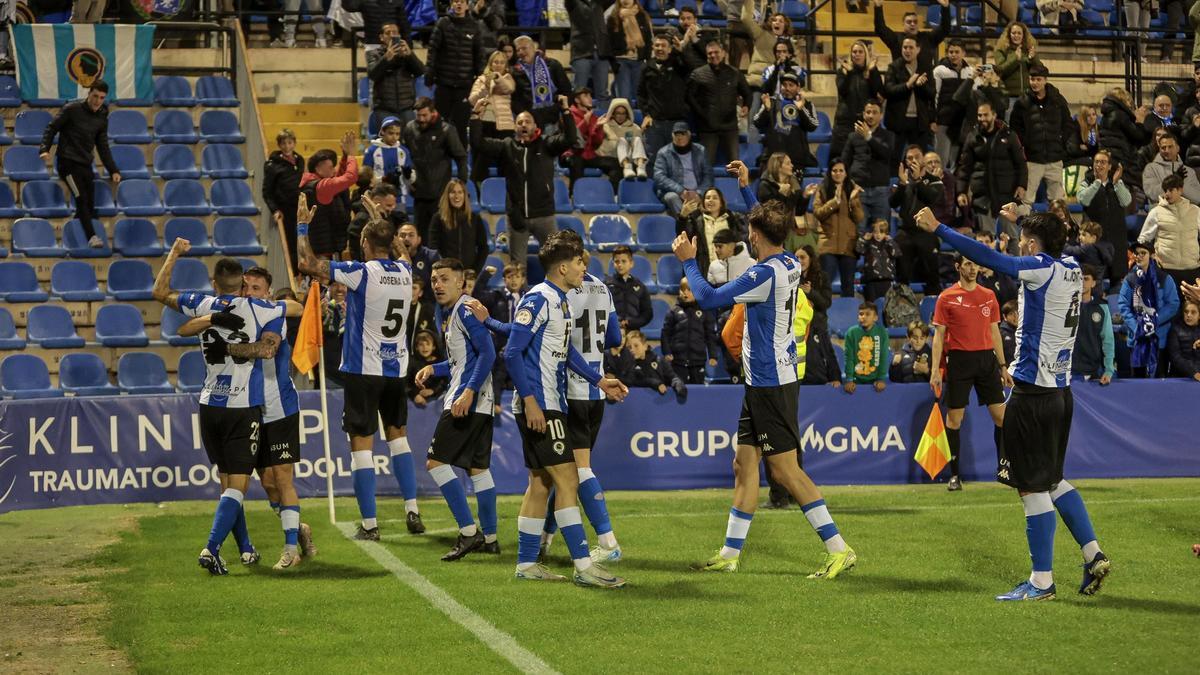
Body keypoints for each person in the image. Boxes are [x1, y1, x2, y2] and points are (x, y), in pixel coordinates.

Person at [914, 203, 1111, 601]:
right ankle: (1093, 555)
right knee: (1053, 479)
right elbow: (1053, 235)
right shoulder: (1072, 267)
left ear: (1035, 244)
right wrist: (1025, 215)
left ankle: (1041, 582)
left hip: (1033, 394)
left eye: (1024, 240)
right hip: (1061, 393)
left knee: (1030, 486)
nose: (1019, 245)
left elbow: (990, 257)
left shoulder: (1038, 269)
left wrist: (939, 228)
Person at [673, 173, 857, 578]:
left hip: (771, 380)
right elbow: (768, 222)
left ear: (755, 234)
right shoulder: (789, 260)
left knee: (786, 471)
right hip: (765, 378)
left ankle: (839, 548)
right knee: (743, 464)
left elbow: (706, 297)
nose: (749, 234)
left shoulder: (762, 275)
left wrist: (689, 258)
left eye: (751, 228)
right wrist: (743, 187)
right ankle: (730, 552)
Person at [477, 232, 630, 586]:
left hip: (550, 401)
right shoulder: (540, 298)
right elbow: (512, 352)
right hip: (542, 403)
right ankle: (583, 565)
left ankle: (527, 563)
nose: (583, 267)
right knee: (568, 478)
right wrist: (531, 401)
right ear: (563, 267)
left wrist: (598, 380)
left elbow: (566, 351)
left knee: (541, 482)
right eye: (579, 262)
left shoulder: (559, 300)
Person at [152, 240, 286, 575]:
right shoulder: (259, 308)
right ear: (243, 284)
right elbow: (290, 308)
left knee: (227, 483)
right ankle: (210, 549)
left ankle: (246, 549)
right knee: (238, 485)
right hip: (243, 406)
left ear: (214, 283)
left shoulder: (201, 303)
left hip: (210, 402)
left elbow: (159, 292)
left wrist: (175, 254)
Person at [296, 194, 426, 540]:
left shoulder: (359, 272)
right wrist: (377, 218)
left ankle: (370, 525)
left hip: (363, 369)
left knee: (362, 446)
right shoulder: (404, 270)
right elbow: (401, 249)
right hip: (395, 370)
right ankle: (412, 509)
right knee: (399, 439)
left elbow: (307, 263)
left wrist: (302, 225)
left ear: (365, 243)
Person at [177, 267, 314, 569]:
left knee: (281, 477)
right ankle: (289, 531)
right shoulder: (240, 313)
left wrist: (224, 346)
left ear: (267, 293)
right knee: (262, 483)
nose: (250, 292)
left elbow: (267, 349)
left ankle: (290, 548)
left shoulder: (272, 317)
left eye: (256, 288)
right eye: (246, 287)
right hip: (245, 407)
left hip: (277, 406)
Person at [413, 258, 499, 561]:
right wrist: (433, 369)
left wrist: (468, 392)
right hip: (482, 400)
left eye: (445, 278)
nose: (438, 284)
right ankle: (490, 537)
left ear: (461, 283)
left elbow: (488, 353)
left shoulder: (465, 309)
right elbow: (461, 361)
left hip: (467, 399)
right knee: (479, 469)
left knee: (436, 463)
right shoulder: (454, 312)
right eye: (435, 279)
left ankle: (468, 532)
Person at [929, 254, 1010, 491]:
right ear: (958, 267)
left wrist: (1003, 366)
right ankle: (955, 475)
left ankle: (1004, 468)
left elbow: (994, 331)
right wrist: (935, 369)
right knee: (954, 419)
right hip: (959, 361)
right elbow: (939, 336)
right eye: (967, 264)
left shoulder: (989, 296)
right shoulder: (946, 297)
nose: (972, 268)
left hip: (986, 360)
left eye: (975, 264)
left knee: (1001, 417)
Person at [470, 98, 577, 267]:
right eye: (519, 122)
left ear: (535, 126)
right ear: (515, 127)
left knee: (556, 263)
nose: (523, 124)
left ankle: (556, 294)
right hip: (517, 217)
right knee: (516, 267)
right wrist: (476, 115)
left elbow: (571, 138)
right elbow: (478, 143)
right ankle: (518, 294)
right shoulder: (508, 146)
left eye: (527, 121)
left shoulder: (546, 144)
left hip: (544, 215)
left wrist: (566, 111)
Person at [38, 81, 120, 248]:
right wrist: (44, 148)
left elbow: (102, 145)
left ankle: (74, 236)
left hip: (84, 163)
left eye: (102, 98)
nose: (98, 101)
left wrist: (113, 169)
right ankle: (92, 237)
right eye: (95, 96)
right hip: (66, 163)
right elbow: (52, 128)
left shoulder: (102, 116)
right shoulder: (71, 110)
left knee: (89, 204)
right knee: (80, 197)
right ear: (89, 93)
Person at [956, 101, 1027, 240]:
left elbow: (1020, 163)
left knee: (1012, 237)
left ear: (994, 115)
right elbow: (965, 167)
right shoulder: (973, 137)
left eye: (985, 115)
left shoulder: (1009, 135)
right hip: (983, 197)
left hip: (1006, 195)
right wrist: (961, 191)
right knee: (986, 238)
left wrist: (1021, 185)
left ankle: (1013, 261)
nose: (982, 118)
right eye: (979, 115)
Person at [1008, 64, 1072, 216]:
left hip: (1054, 159)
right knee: (1025, 201)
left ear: (1045, 80)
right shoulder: (1022, 103)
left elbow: (1068, 124)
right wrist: (1026, 145)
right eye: (1032, 79)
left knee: (1058, 203)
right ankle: (1023, 234)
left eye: (1038, 79)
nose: (1034, 82)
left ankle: (1058, 235)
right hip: (1032, 160)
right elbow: (1015, 128)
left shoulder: (1058, 100)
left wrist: (1061, 143)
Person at [403, 97, 469, 241]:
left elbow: (461, 157)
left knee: (440, 236)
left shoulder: (446, 130)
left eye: (424, 115)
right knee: (419, 236)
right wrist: (408, 180)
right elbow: (404, 155)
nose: (421, 119)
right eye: (418, 115)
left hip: (440, 194)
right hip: (418, 193)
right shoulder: (410, 129)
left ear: (433, 113)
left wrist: (462, 182)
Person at [426, 0, 484, 149]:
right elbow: (433, 49)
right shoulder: (442, 23)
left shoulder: (474, 26)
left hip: (464, 86)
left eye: (462, 1)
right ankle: (436, 161)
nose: (459, 4)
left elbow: (479, 54)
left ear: (466, 5)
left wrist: (480, 76)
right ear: (451, 4)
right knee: (438, 125)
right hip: (444, 84)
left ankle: (462, 165)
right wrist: (430, 73)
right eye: (456, 1)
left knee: (461, 128)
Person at [1119, 241, 1181, 378]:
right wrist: (1137, 327)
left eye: (1143, 253)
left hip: (1159, 338)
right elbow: (1123, 306)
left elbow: (1173, 305)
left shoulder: (1164, 278)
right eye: (1137, 253)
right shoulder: (1130, 279)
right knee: (1137, 383)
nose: (1139, 256)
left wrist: (1154, 321)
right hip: (1137, 339)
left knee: (1159, 383)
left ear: (1152, 255)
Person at [686, 40, 751, 167]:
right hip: (707, 128)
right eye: (710, 53)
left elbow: (747, 93)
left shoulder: (735, 73)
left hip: (730, 127)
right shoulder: (698, 74)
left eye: (716, 52)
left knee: (736, 167)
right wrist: (702, 114)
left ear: (723, 53)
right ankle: (708, 188)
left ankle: (737, 187)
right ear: (706, 55)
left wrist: (746, 106)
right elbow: (689, 97)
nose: (713, 55)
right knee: (705, 166)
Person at [299, 132, 359, 259]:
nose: (334, 170)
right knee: (319, 279)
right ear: (318, 168)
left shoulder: (313, 183)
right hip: (323, 253)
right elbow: (349, 177)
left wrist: (345, 156)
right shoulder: (321, 186)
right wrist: (351, 156)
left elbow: (339, 176)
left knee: (320, 279)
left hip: (323, 247)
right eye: (331, 167)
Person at [1077, 150, 1133, 284]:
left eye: (1103, 162)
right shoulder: (1087, 182)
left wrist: (1116, 183)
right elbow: (1083, 200)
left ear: (1109, 166)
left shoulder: (1117, 183)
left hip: (1116, 238)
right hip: (1096, 240)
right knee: (1096, 279)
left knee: (1117, 279)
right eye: (1096, 162)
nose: (1099, 165)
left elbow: (1126, 201)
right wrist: (1097, 183)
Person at [892, 145, 943, 291]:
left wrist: (918, 180)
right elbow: (892, 202)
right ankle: (902, 302)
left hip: (926, 231)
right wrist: (902, 184)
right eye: (909, 158)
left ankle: (933, 304)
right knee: (901, 270)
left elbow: (931, 198)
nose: (913, 160)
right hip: (906, 231)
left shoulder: (935, 180)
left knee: (932, 273)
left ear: (923, 159)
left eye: (917, 157)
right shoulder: (902, 180)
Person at [882, 37, 936, 170]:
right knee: (895, 158)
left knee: (920, 159)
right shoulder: (894, 67)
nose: (907, 50)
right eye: (905, 48)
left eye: (911, 47)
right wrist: (908, 85)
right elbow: (888, 90)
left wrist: (919, 86)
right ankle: (895, 185)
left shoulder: (925, 68)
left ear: (918, 49)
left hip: (919, 122)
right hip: (898, 121)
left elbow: (932, 93)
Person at [1139, 173, 1200, 291]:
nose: (1167, 194)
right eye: (1165, 190)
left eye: (1171, 190)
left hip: (1193, 270)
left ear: (1180, 190)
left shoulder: (1195, 211)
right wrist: (1152, 255)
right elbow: (1143, 239)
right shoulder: (1156, 212)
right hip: (1166, 270)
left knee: (1192, 309)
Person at [813, 160, 863, 297]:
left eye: (841, 170)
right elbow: (818, 213)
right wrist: (835, 201)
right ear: (830, 172)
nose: (838, 173)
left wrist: (853, 200)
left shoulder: (852, 189)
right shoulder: (822, 188)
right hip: (828, 244)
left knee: (848, 286)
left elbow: (859, 218)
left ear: (846, 173)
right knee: (825, 286)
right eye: (835, 170)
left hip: (848, 246)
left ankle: (848, 317)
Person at [638, 34, 692, 161]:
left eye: (663, 45)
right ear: (653, 47)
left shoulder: (678, 64)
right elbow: (641, 94)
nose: (660, 48)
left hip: (677, 122)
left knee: (678, 159)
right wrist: (646, 114)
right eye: (657, 45)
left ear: (669, 49)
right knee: (655, 160)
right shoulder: (646, 67)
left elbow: (690, 68)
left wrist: (680, 52)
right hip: (655, 123)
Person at [754, 72, 819, 175]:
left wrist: (801, 109)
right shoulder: (771, 101)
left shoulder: (807, 104)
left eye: (791, 85)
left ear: (798, 88)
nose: (787, 88)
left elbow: (813, 125)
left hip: (796, 161)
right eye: (784, 85)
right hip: (772, 159)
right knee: (768, 189)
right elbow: (757, 122)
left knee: (793, 190)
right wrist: (766, 110)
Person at [841, 100, 894, 227]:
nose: (871, 116)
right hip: (859, 189)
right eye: (868, 112)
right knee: (859, 231)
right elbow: (844, 162)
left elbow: (886, 154)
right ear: (864, 114)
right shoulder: (853, 136)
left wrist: (869, 137)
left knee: (882, 232)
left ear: (881, 115)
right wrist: (850, 184)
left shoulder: (888, 136)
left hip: (880, 190)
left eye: (874, 112)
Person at [831, 40, 884, 161]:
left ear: (865, 54)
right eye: (854, 52)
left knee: (860, 158)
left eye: (860, 52)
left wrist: (873, 71)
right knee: (840, 159)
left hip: (863, 122)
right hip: (844, 123)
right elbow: (842, 90)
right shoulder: (843, 71)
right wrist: (849, 73)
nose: (857, 54)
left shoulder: (870, 72)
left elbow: (877, 92)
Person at [468, 50, 516, 182]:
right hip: (484, 124)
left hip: (505, 127)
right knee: (481, 162)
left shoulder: (508, 78)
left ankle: (505, 193)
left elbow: (508, 89)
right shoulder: (481, 80)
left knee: (507, 162)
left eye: (502, 62)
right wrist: (485, 87)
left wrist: (496, 78)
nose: (499, 65)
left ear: (505, 65)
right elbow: (472, 100)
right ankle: (478, 190)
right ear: (490, 64)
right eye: (496, 62)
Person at [676, 186, 746, 276]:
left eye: (715, 198)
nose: (710, 200)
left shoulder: (733, 219)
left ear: (721, 202)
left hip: (730, 271)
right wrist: (682, 217)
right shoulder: (696, 220)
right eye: (707, 198)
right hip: (704, 271)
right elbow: (683, 237)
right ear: (703, 202)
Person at [662, 277, 720, 384]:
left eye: (689, 290)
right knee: (679, 389)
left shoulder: (705, 311)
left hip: (698, 360)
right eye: (682, 290)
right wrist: (667, 351)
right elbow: (665, 333)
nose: (685, 293)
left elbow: (710, 335)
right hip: (678, 361)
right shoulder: (673, 311)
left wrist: (713, 355)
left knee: (698, 392)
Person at [1098, 88, 1151, 204]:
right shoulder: (1120, 115)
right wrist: (1140, 121)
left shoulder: (1105, 116)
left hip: (1111, 161)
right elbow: (1139, 137)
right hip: (1123, 163)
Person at [367, 25, 425, 130]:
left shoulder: (406, 53)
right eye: (388, 33)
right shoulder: (374, 54)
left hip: (406, 107)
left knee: (411, 141)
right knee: (388, 141)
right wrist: (386, 58)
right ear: (381, 37)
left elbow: (420, 71)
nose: (391, 35)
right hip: (384, 108)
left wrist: (410, 55)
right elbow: (372, 75)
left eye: (395, 32)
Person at [263, 129, 305, 273]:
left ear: (294, 143)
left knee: (302, 241)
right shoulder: (272, 165)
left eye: (289, 143)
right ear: (279, 145)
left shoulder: (300, 160)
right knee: (289, 244)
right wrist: (275, 209)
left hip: (299, 209)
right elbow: (267, 192)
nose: (287, 146)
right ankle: (293, 273)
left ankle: (302, 274)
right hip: (284, 211)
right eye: (283, 143)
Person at [510, 36, 573, 130]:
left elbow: (567, 92)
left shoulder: (553, 65)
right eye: (518, 50)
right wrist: (526, 114)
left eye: (524, 48)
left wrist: (556, 110)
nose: (521, 52)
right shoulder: (515, 72)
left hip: (553, 118)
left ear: (533, 47)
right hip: (529, 121)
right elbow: (514, 100)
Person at [566, 87, 623, 191]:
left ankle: (610, 194)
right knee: (577, 161)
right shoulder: (568, 115)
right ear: (577, 100)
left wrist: (598, 126)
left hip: (589, 155)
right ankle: (574, 195)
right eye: (586, 96)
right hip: (572, 154)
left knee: (616, 164)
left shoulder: (594, 117)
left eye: (590, 96)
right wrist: (585, 122)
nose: (590, 98)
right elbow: (573, 138)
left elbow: (596, 144)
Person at [428, 179, 489, 274]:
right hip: (446, 273)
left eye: (460, 192)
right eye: (453, 192)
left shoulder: (474, 218)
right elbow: (433, 248)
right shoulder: (438, 218)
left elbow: (483, 248)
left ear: (465, 195)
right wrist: (443, 268)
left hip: (468, 274)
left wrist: (474, 271)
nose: (457, 196)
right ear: (447, 195)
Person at [872, 0, 950, 73]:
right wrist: (878, 7)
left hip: (925, 81)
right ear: (903, 24)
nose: (912, 24)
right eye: (909, 22)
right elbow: (880, 28)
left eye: (915, 22)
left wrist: (945, 8)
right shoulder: (896, 39)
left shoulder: (927, 38)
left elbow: (945, 29)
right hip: (902, 80)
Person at [931, 39, 974, 171]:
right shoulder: (939, 70)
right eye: (951, 52)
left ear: (963, 53)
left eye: (957, 52)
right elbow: (935, 95)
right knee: (941, 160)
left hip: (962, 123)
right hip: (944, 121)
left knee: (958, 162)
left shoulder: (971, 71)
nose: (953, 55)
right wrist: (933, 119)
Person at [606, 329, 687, 398]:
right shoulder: (627, 365)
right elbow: (636, 380)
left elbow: (672, 376)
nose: (632, 350)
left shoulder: (659, 360)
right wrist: (657, 384)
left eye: (636, 346)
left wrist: (678, 384)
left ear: (645, 345)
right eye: (629, 347)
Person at [654, 124, 714, 215]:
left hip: (697, 191)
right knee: (672, 197)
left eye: (682, 134)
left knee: (713, 196)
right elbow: (659, 176)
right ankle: (686, 221)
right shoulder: (663, 153)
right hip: (675, 192)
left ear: (689, 135)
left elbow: (708, 175)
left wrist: (699, 193)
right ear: (672, 136)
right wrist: (680, 190)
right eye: (676, 134)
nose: (679, 137)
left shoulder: (700, 150)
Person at [1072, 265, 1115, 384]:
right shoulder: (1065, 307)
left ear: (1093, 283)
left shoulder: (1102, 308)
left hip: (1092, 372)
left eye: (1086, 279)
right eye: (1078, 278)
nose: (1082, 282)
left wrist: (1109, 370)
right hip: (1067, 372)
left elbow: (1108, 340)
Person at [565, 0, 613, 103]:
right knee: (579, 92)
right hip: (581, 52)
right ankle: (576, 118)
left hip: (601, 53)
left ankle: (602, 118)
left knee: (603, 94)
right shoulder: (573, 3)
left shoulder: (598, 3)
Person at [347, 183, 406, 262]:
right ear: (376, 201)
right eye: (389, 205)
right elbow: (356, 251)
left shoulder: (392, 218)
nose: (392, 209)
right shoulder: (360, 220)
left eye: (394, 205)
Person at [607, 0, 652, 103]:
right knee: (624, 97)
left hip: (639, 61)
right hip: (621, 61)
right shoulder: (613, 18)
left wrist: (648, 61)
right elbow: (609, 43)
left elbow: (648, 41)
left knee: (639, 96)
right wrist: (613, 63)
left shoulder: (643, 16)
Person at [741, 3, 794, 88]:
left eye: (781, 21)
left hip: (780, 83)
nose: (777, 22)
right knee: (755, 101)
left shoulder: (790, 43)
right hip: (758, 80)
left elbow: (794, 68)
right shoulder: (760, 34)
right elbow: (746, 18)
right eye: (774, 20)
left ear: (785, 26)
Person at [842, 302, 890, 393]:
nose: (863, 317)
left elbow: (883, 357)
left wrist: (881, 378)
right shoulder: (851, 332)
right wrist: (849, 379)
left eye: (868, 314)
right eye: (861, 314)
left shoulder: (882, 332)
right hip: (856, 381)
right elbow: (849, 358)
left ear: (875, 317)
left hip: (875, 380)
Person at [363, 116, 413, 200]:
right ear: (382, 131)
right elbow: (366, 177)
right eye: (391, 133)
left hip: (399, 196)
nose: (394, 137)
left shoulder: (404, 151)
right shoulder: (372, 151)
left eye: (397, 134)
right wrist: (383, 179)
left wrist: (409, 175)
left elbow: (410, 177)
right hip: (378, 195)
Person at [1143, 133, 1200, 205]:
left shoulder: (1189, 171)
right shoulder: (1151, 168)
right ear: (1159, 149)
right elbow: (1152, 194)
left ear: (1177, 148)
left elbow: (1197, 197)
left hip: (1186, 212)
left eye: (1170, 147)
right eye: (1163, 147)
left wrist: (1180, 183)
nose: (1167, 150)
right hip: (1162, 212)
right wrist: (1173, 181)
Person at [599, 97, 649, 180]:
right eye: (618, 113)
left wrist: (642, 131)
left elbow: (640, 147)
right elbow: (602, 147)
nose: (620, 116)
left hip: (631, 157)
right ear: (613, 113)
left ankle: (641, 167)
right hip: (611, 156)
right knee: (621, 140)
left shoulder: (634, 127)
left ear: (627, 114)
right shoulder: (605, 126)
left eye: (623, 113)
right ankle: (626, 167)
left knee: (637, 139)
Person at [992, 21, 1043, 100]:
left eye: (1019, 33)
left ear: (1023, 35)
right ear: (1009, 35)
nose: (1016, 35)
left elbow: (1040, 70)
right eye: (1013, 33)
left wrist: (1033, 58)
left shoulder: (1028, 49)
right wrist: (1015, 59)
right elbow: (1000, 70)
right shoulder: (1001, 50)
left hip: (1028, 95)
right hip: (1009, 96)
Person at [606, 245, 653, 330]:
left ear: (631, 263)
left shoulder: (639, 286)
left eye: (624, 261)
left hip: (633, 332)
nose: (620, 265)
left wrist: (632, 322)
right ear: (613, 263)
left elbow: (647, 313)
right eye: (617, 261)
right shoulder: (606, 285)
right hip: (613, 331)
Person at [856, 219, 900, 302]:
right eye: (876, 232)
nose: (878, 235)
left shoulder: (888, 244)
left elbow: (896, 253)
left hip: (887, 280)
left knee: (887, 304)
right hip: (871, 280)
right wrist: (864, 239)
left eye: (881, 232)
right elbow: (859, 250)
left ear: (886, 233)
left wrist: (890, 241)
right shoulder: (868, 244)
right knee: (873, 304)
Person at [757, 152, 806, 223]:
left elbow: (799, 212)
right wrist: (781, 194)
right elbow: (770, 212)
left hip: (788, 225)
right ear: (778, 167)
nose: (792, 166)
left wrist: (805, 196)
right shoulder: (765, 185)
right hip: (771, 225)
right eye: (788, 163)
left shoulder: (793, 182)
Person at [398, 222, 441, 294]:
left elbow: (437, 284)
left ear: (419, 240)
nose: (406, 238)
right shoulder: (388, 256)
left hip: (426, 301)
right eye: (402, 235)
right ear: (396, 240)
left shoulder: (431, 256)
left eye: (411, 235)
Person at [1166, 298, 1200, 380]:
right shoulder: (1175, 330)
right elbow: (1176, 357)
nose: (1189, 315)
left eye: (1193, 312)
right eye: (1186, 311)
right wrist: (1194, 372)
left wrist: (1197, 350)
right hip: (1179, 378)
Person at [999, 299, 1018, 364]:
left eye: (1018, 312)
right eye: (1011, 314)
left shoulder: (1029, 331)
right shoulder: (1000, 333)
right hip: (1008, 371)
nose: (1016, 317)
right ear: (1004, 316)